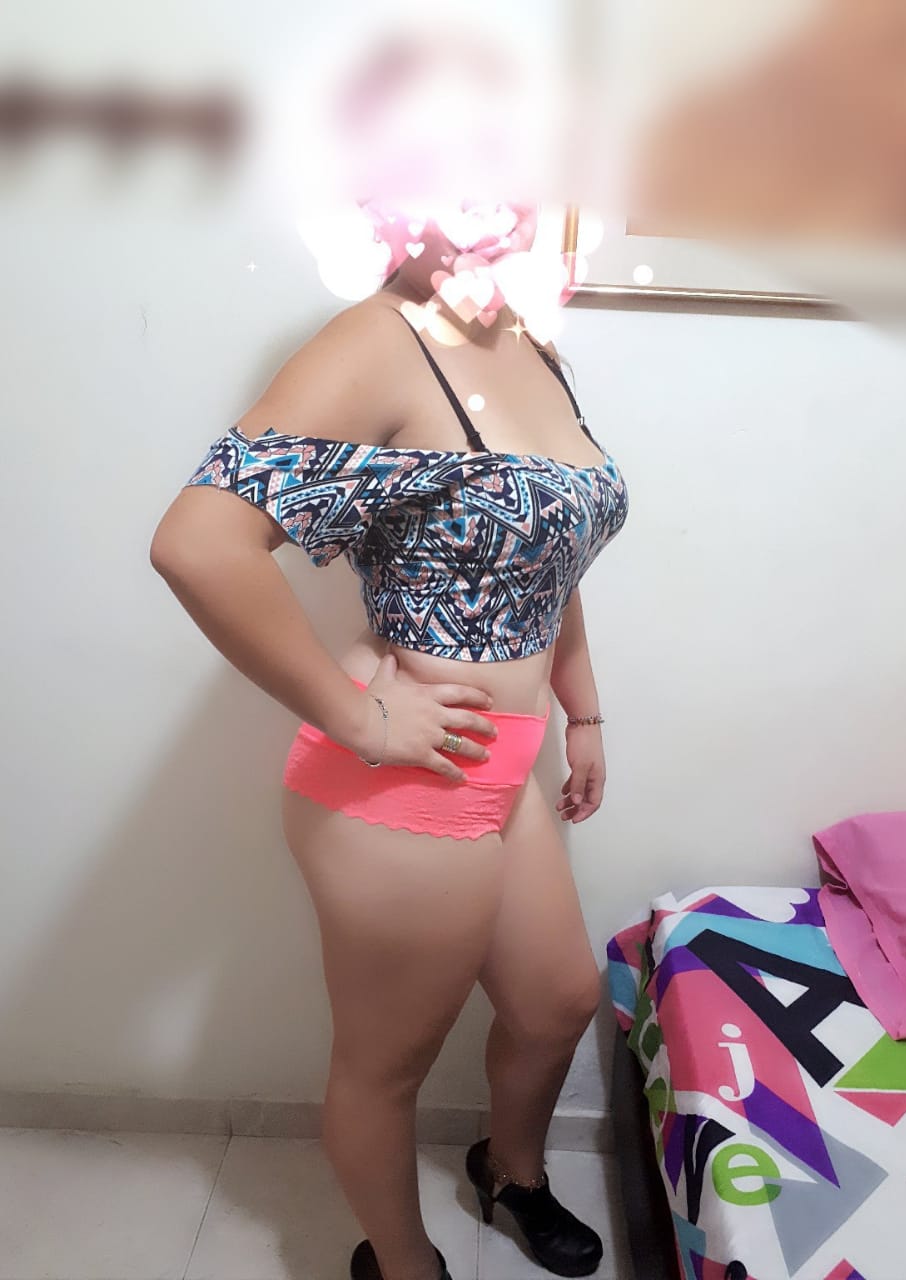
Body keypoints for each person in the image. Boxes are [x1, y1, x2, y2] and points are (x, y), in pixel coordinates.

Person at [149, 206, 629, 1280]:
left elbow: (550, 559)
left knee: (557, 1000)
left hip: (507, 760)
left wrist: (583, 709)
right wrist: (361, 714)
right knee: (386, 1065)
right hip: (407, 774)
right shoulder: (376, 339)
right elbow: (197, 542)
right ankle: (403, 1263)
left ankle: (509, 1171)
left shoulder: (529, 343)